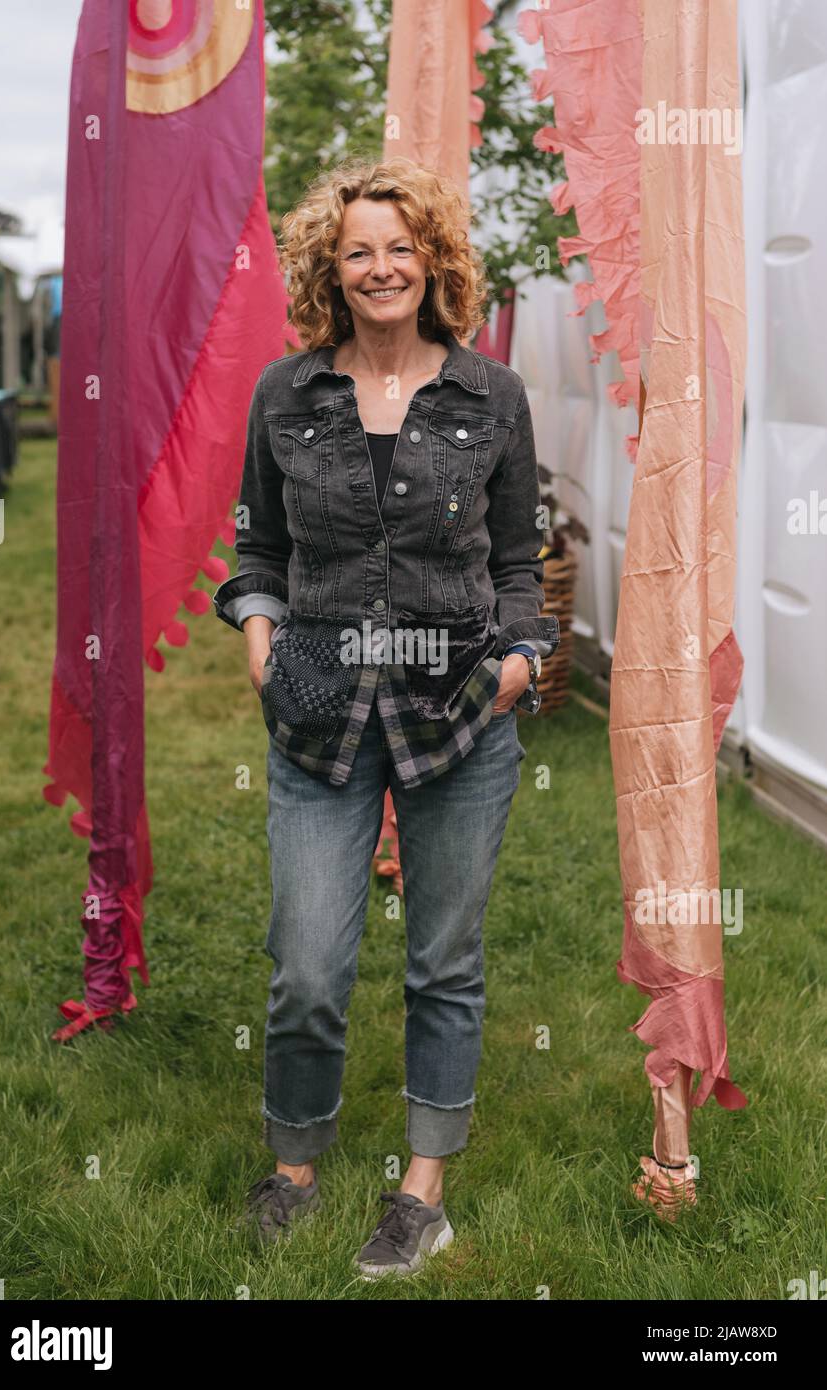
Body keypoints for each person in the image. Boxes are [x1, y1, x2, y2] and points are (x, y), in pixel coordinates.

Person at [213, 156, 558, 1278]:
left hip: (457, 712)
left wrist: (514, 662)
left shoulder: (490, 396)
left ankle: (421, 1190)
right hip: (317, 708)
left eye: (399, 247)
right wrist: (262, 644)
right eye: (357, 249)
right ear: (331, 266)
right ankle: (296, 1167)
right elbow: (258, 544)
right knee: (306, 961)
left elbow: (518, 558)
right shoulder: (284, 392)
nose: (380, 267)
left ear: (432, 262)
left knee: (441, 962)